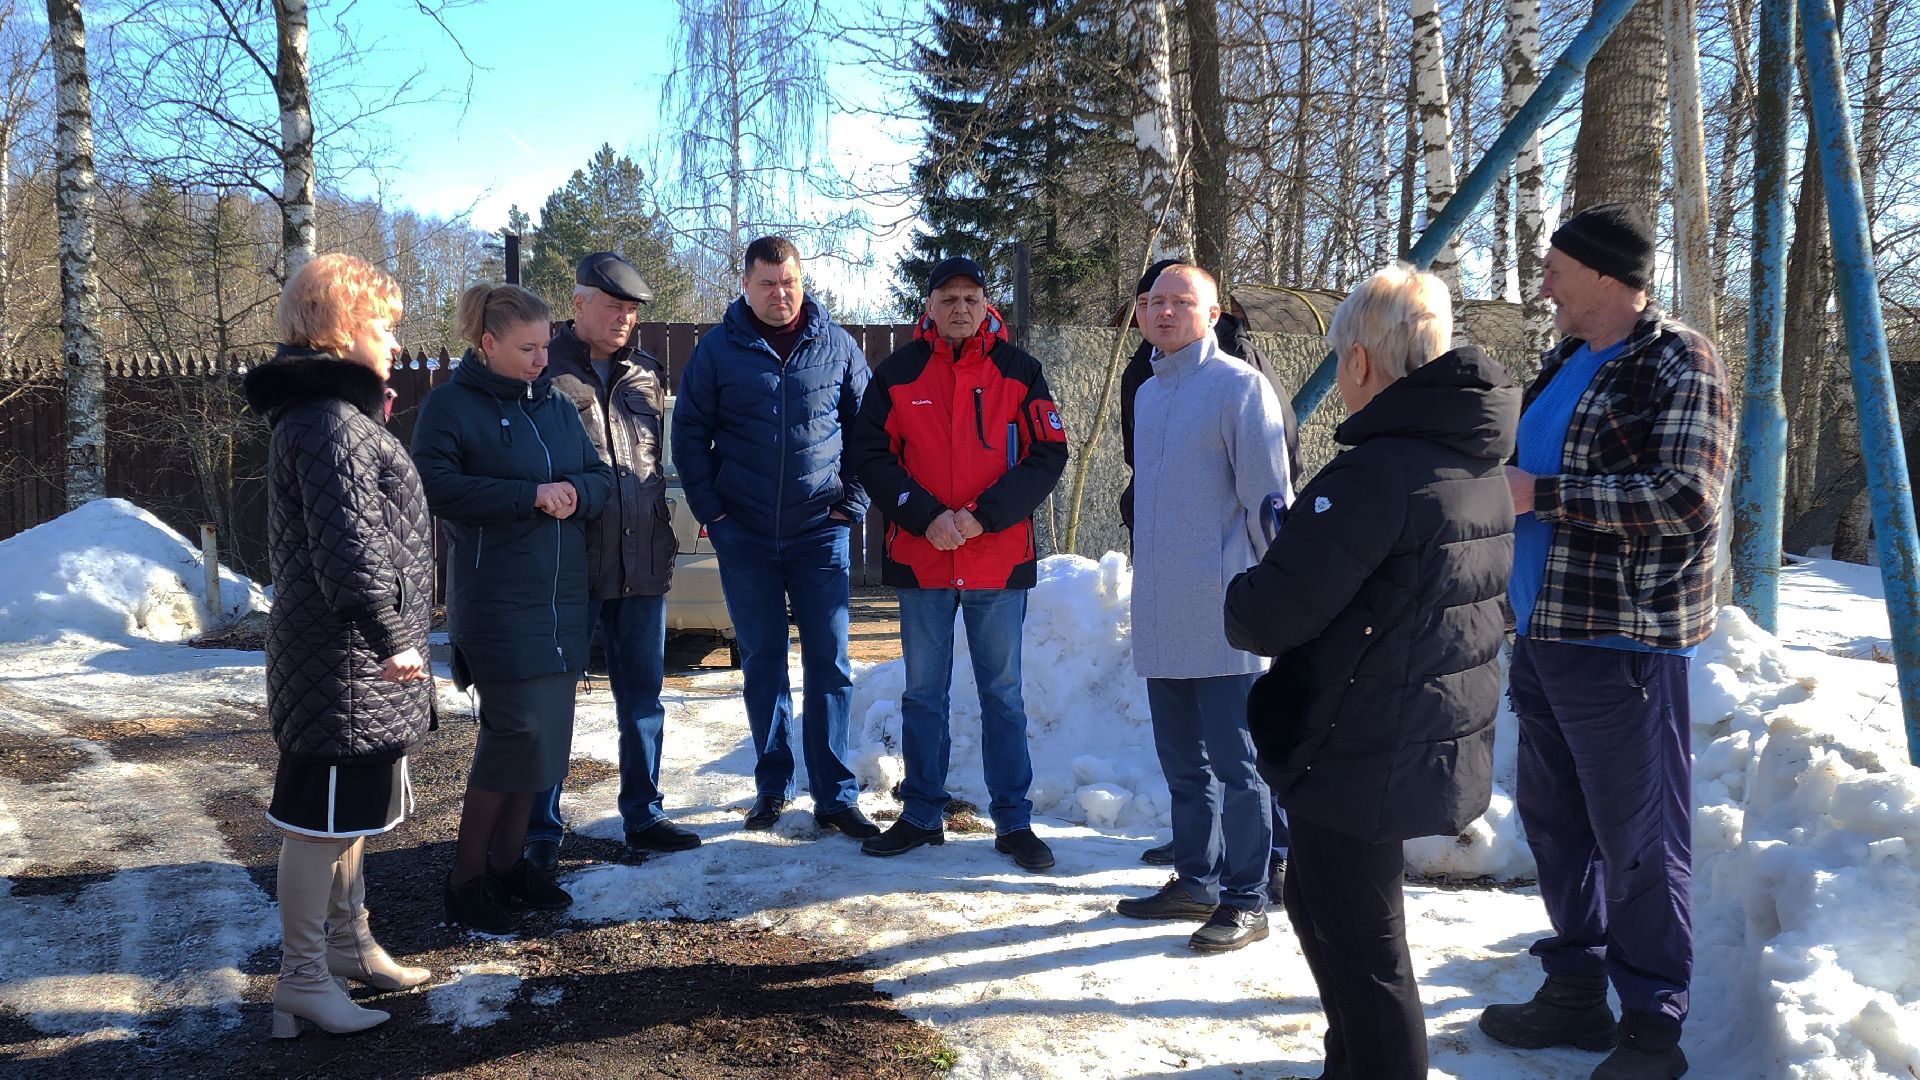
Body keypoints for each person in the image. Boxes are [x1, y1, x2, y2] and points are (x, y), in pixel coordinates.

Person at [1225, 263, 1519, 1080]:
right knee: (1321, 905)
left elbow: (1268, 611)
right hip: (1406, 720)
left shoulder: (1377, 472)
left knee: (1363, 942)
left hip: (1365, 733)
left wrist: (1256, 573)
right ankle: (1348, 1062)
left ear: (1359, 360)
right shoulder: (1473, 462)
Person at [1479, 203, 1733, 1080]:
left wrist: (1540, 495)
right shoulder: (1563, 361)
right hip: (1544, 632)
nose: (1542, 280)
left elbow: (1686, 500)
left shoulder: (1677, 358)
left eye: (1555, 266)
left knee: (1638, 836)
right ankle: (1578, 990)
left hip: (1623, 641)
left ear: (1603, 275)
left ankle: (1654, 1029)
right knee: (1555, 826)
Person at [244, 253, 434, 1037]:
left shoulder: (339, 417)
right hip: (342, 659)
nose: (394, 339)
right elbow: (350, 545)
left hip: (349, 658)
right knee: (315, 824)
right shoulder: (326, 421)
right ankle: (300, 977)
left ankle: (349, 949)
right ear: (339, 329)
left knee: (344, 817)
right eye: (382, 324)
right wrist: (389, 634)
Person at [847, 256, 1068, 870]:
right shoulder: (896, 373)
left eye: (972, 297)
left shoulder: (1020, 372)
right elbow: (870, 453)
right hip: (923, 561)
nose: (961, 308)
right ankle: (921, 814)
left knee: (1003, 695)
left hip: (996, 560)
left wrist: (983, 516)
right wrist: (925, 516)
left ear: (986, 303)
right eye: (949, 298)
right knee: (923, 695)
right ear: (930, 305)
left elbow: (1049, 453)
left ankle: (1014, 822)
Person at [412, 283, 613, 934]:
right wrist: (528, 496)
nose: (539, 359)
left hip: (560, 598)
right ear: (488, 344)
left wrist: (573, 496)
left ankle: (509, 867)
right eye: (526, 348)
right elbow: (436, 486)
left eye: (544, 346)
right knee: (514, 734)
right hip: (495, 598)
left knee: (546, 741)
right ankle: (466, 878)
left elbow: (600, 480)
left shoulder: (556, 405)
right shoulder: (450, 407)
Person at [670, 236, 877, 838]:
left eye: (789, 282)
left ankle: (836, 795)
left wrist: (852, 506)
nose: (780, 294)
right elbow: (689, 438)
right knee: (763, 662)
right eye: (767, 284)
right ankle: (772, 783)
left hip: (820, 535)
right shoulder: (717, 352)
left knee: (831, 665)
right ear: (746, 286)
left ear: (802, 281)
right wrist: (718, 517)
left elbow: (870, 433)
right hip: (747, 537)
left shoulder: (837, 347)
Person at [1114, 264, 1289, 954]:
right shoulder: (1151, 394)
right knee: (1182, 763)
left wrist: (1269, 598)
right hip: (1161, 608)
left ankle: (1246, 897)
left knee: (1238, 766)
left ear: (1213, 314)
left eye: (1181, 302)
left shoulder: (1241, 389)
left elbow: (1270, 502)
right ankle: (1195, 878)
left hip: (1226, 615)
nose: (1165, 313)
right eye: (1155, 301)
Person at [523, 252, 691, 872]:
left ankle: (644, 814)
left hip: (642, 565)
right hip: (570, 569)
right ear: (578, 303)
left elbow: (653, 465)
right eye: (613, 305)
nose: (624, 318)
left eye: (631, 310)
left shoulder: (645, 373)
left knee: (643, 698)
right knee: (554, 701)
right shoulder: (542, 370)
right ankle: (541, 829)